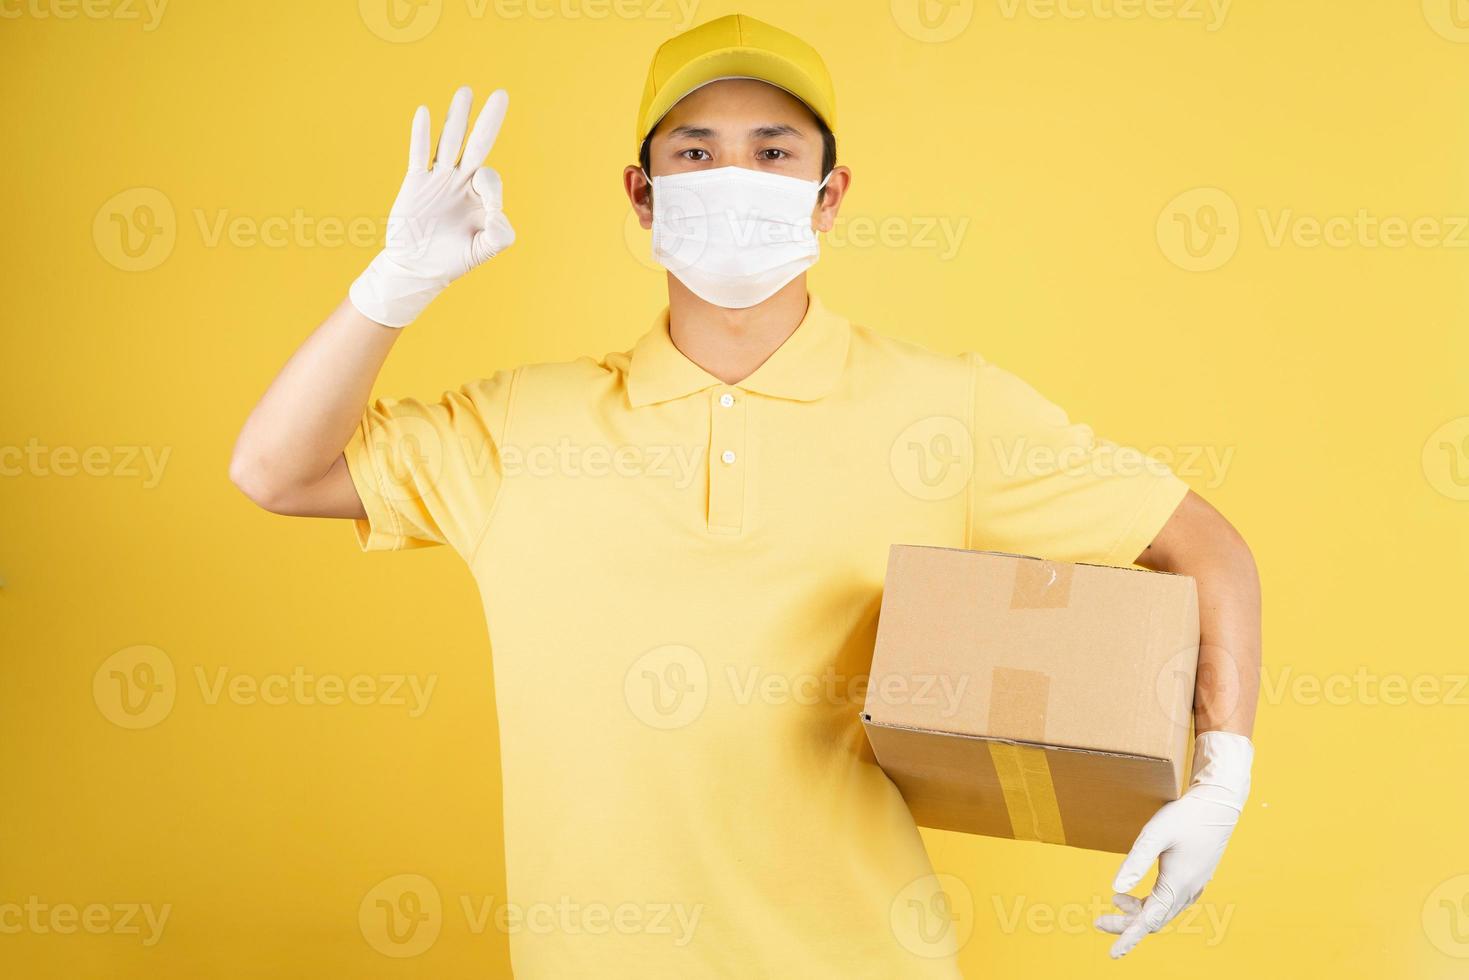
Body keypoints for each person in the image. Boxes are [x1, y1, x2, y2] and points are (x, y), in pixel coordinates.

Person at [230, 13, 1260, 977]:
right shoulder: (516, 427)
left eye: (772, 152)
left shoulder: (946, 405)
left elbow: (1202, 547)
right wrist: (395, 283)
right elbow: (275, 471)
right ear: (639, 194)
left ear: (829, 192)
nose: (733, 175)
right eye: (693, 152)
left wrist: (1217, 781)